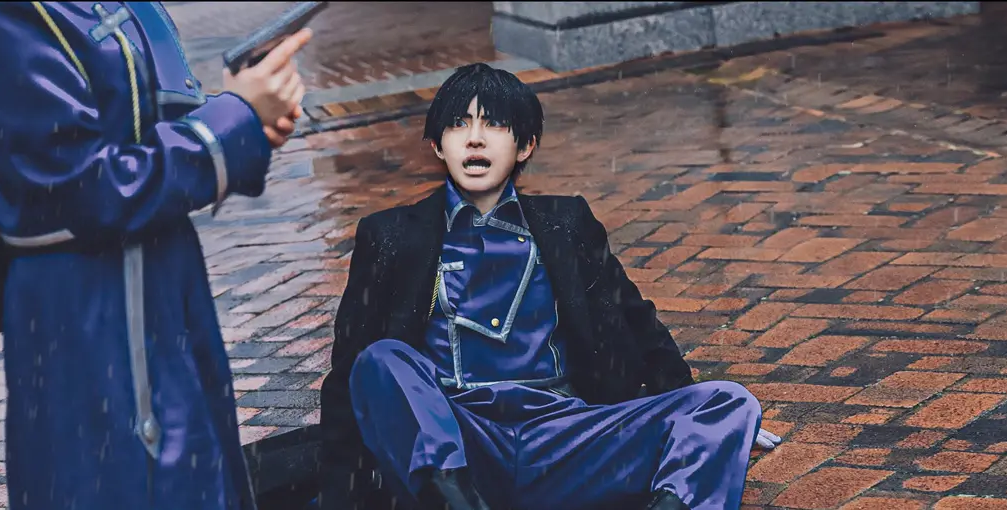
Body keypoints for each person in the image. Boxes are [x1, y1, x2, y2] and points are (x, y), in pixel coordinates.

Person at [316, 63, 781, 510]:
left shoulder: (565, 223)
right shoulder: (392, 235)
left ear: (525, 146)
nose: (474, 138)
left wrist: (702, 427)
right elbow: (349, 378)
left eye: (494, 124)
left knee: (731, 402)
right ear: (438, 145)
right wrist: (342, 495)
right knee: (380, 361)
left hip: (565, 441)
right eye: (458, 124)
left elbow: (638, 322)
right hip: (460, 441)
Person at [0, 2, 311, 509]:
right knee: (123, 479)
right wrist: (231, 122)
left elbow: (138, 120)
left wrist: (248, 113)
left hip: (161, 281)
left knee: (193, 471)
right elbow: (85, 187)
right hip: (90, 306)